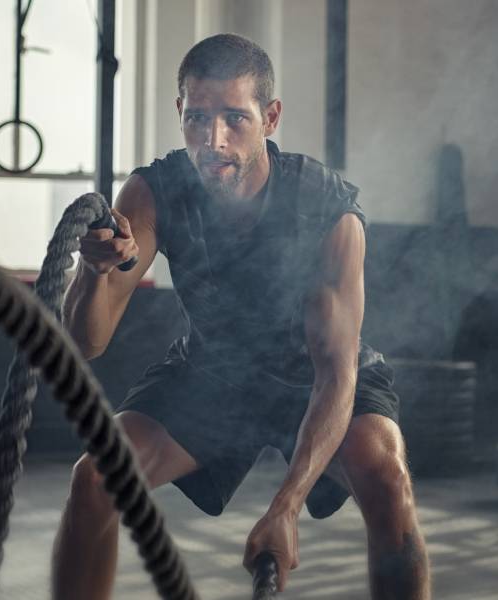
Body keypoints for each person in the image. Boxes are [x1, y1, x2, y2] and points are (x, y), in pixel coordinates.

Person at [53, 33, 430, 600]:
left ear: (270, 117)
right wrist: (93, 270)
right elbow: (89, 343)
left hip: (316, 377)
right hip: (215, 371)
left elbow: (336, 372)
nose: (214, 141)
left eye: (236, 119)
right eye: (199, 118)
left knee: (388, 481)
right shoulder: (154, 192)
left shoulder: (327, 210)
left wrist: (287, 506)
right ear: (180, 112)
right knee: (94, 481)